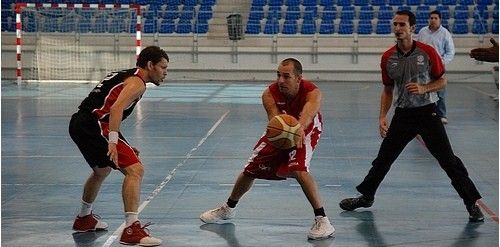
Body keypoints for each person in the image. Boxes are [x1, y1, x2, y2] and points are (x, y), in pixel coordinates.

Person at [339, 10, 484, 223]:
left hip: (427, 113)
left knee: (448, 161)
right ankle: (366, 197)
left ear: (412, 28)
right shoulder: (388, 57)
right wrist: (382, 117)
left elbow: (442, 81)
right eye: (395, 25)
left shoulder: (427, 52)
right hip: (403, 115)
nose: (397, 29)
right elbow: (388, 90)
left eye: (402, 25)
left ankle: (471, 203)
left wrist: (424, 87)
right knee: (383, 159)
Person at [199, 58, 335, 240]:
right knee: (250, 170)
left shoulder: (312, 92)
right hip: (281, 129)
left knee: (299, 169)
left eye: (286, 76)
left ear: (298, 78)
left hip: (307, 128)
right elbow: (275, 120)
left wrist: (299, 127)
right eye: (278, 75)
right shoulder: (269, 94)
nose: (280, 80)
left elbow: (309, 113)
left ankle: (323, 220)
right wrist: (285, 134)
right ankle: (228, 209)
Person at [69, 45, 169, 246]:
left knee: (102, 170)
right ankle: (131, 228)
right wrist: (114, 143)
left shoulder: (125, 75)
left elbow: (107, 108)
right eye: (163, 67)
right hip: (95, 124)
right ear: (150, 65)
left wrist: (123, 144)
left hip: (82, 122)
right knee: (135, 170)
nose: (165, 72)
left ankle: (83, 219)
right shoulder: (137, 83)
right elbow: (115, 110)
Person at [416, 10, 455, 124]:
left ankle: (442, 115)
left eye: (435, 18)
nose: (433, 20)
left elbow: (450, 51)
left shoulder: (445, 33)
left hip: (438, 67)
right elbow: (418, 47)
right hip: (423, 66)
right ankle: (423, 115)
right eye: (431, 18)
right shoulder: (423, 31)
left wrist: (442, 62)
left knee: (440, 92)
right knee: (423, 91)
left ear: (440, 20)